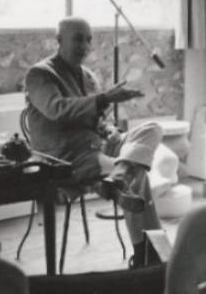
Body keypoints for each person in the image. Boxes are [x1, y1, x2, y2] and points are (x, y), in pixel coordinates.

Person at [24, 16, 163, 268]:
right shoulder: (39, 74)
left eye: (89, 39)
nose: (85, 46)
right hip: (65, 156)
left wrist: (108, 129)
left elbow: (96, 118)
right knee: (138, 176)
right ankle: (147, 254)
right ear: (59, 41)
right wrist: (104, 98)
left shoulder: (87, 76)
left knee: (152, 128)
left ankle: (121, 172)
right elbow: (57, 109)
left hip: (97, 146)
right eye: (78, 38)